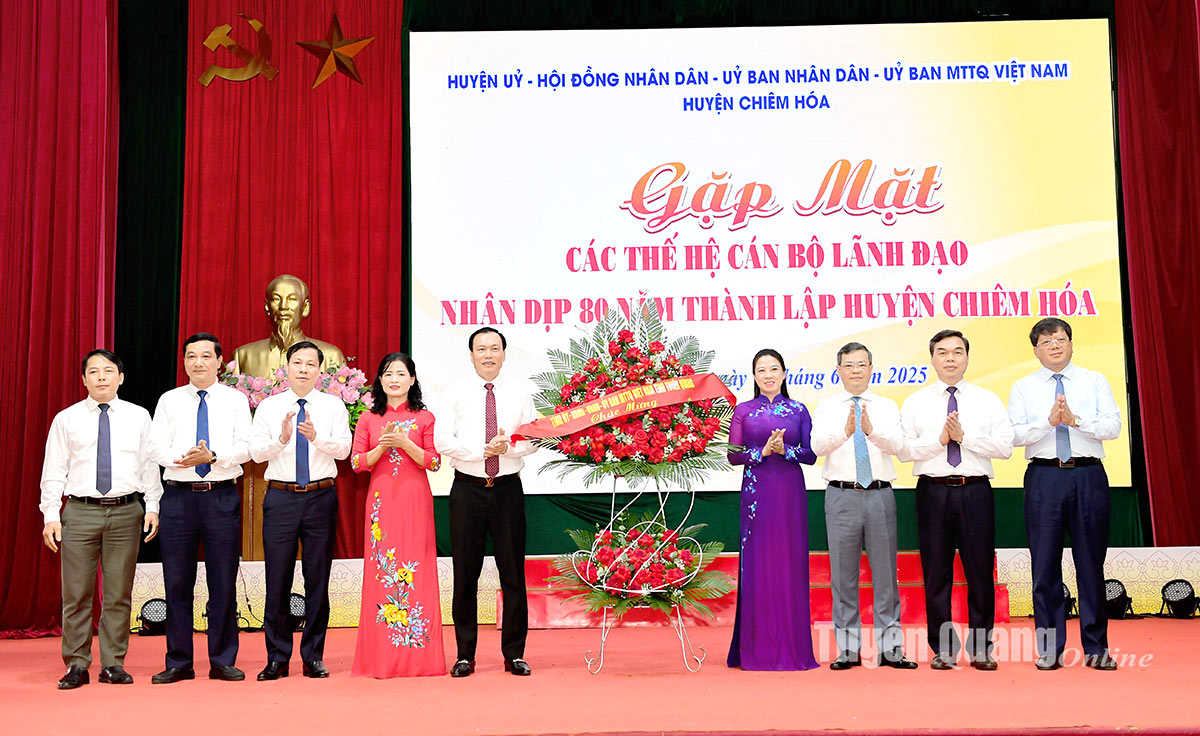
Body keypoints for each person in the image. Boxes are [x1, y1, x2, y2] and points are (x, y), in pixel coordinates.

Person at [40, 350, 162, 689]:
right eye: (94, 372)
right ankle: (76, 663)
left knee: (118, 592)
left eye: (108, 371)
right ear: (84, 379)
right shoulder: (66, 419)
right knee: (76, 593)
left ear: (120, 377)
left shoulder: (139, 417)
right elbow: (54, 469)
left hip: (126, 511)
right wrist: (51, 514)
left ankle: (113, 663)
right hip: (80, 512)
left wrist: (153, 505)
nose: (102, 377)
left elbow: (149, 465)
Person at [1009, 318, 1122, 671]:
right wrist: (1048, 422)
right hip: (1044, 477)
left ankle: (1096, 648)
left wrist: (1075, 421)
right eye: (1046, 342)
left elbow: (1113, 426)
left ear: (1071, 344)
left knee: (1091, 566)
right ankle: (1049, 649)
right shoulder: (1023, 387)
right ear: (1035, 350)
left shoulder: (1094, 380)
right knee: (1044, 567)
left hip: (1088, 475)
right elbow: (1015, 436)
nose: (1054, 346)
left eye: (1060, 339)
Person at [899, 330, 1013, 670]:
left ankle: (981, 648)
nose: (950, 358)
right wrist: (939, 441)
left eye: (957, 351)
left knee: (979, 571)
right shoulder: (915, 402)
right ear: (933, 358)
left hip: (975, 490)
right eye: (943, 352)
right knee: (936, 572)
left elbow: (1005, 447)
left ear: (967, 357)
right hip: (932, 491)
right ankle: (943, 648)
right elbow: (905, 451)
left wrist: (966, 438)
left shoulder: (987, 399)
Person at [434, 327, 538, 677]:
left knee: (513, 575)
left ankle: (515, 654)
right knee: (465, 574)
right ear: (471, 355)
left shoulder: (520, 390)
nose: (488, 354)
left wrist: (509, 447)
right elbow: (442, 440)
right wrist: (481, 451)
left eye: (495, 348)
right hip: (468, 490)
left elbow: (533, 439)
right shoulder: (455, 392)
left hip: (508, 489)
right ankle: (465, 655)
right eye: (482, 349)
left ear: (504, 354)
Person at [149, 332, 252, 684]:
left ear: (219, 361)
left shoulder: (236, 400)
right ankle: (179, 661)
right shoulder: (169, 400)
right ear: (184, 361)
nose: (198, 362)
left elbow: (247, 447)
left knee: (222, 580)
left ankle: (222, 660)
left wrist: (213, 456)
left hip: (220, 496)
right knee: (177, 582)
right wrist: (184, 459)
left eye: (206, 356)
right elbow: (155, 447)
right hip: (178, 499)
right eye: (191, 356)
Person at [810, 342, 917, 670]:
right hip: (841, 495)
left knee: (886, 575)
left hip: (880, 495)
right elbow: (816, 447)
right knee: (843, 577)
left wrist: (871, 431)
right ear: (838, 370)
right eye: (849, 365)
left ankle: (891, 648)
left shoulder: (886, 406)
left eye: (861, 364)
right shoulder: (826, 407)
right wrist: (845, 432)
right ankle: (848, 648)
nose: (855, 370)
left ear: (871, 368)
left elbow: (899, 447)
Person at [249, 341, 351, 680]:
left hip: (321, 497)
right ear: (287, 367)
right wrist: (281, 439)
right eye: (297, 363)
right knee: (277, 578)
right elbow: (256, 454)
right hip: (281, 498)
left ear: (320, 370)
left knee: (317, 578)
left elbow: (344, 450)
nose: (303, 369)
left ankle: (313, 656)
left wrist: (317, 438)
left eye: (310, 364)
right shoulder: (269, 406)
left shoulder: (333, 406)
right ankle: (277, 658)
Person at [350, 352, 445, 677]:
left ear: (412, 380)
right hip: (381, 504)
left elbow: (434, 462)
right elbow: (356, 463)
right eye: (388, 373)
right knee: (383, 572)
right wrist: (382, 447)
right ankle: (382, 658)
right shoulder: (368, 418)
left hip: (414, 501)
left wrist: (405, 443)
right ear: (380, 380)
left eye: (401, 373)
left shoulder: (425, 417)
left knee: (417, 569)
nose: (394, 379)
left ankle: (420, 657)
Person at [726, 349, 819, 671]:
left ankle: (793, 648)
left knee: (789, 562)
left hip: (789, 494)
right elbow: (733, 456)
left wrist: (786, 450)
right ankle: (756, 649)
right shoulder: (743, 411)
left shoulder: (798, 410)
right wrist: (762, 452)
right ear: (753, 376)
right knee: (759, 564)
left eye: (774, 369)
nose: (768, 375)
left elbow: (810, 455)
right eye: (761, 370)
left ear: (784, 373)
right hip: (756, 495)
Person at [232, 274, 345, 376]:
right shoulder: (243, 356)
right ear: (267, 307)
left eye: (292, 299)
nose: (283, 306)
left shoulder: (331, 356)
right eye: (276, 299)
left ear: (305, 308)